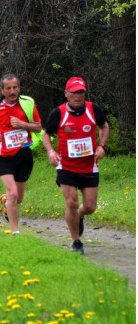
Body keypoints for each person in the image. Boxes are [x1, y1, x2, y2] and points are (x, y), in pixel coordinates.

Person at [42, 77, 109, 255]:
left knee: (90, 207)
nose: (78, 96)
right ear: (66, 93)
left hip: (89, 166)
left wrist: (101, 146)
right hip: (66, 166)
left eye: (81, 92)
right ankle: (76, 241)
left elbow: (104, 127)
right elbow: (46, 135)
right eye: (74, 92)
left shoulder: (93, 109)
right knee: (71, 201)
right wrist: (50, 152)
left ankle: (78, 215)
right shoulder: (58, 113)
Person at [0, 74, 42, 234]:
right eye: (8, 88)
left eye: (15, 87)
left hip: (23, 154)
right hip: (2, 155)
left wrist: (23, 124)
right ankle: (15, 231)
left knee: (18, 198)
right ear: (2, 90)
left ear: (19, 89)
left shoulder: (27, 104)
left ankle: (6, 201)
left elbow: (38, 127)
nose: (12, 91)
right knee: (13, 193)